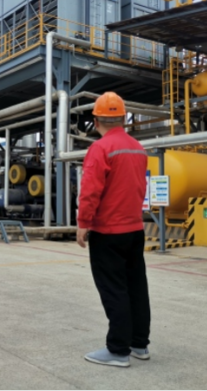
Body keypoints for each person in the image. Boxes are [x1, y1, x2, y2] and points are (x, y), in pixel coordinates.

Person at [76, 92, 151, 369]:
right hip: (134, 229)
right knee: (136, 287)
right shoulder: (138, 148)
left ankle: (118, 350)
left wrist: (83, 223)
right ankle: (139, 344)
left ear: (96, 121)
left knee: (113, 289)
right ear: (124, 119)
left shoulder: (100, 148)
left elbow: (90, 190)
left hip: (108, 232)